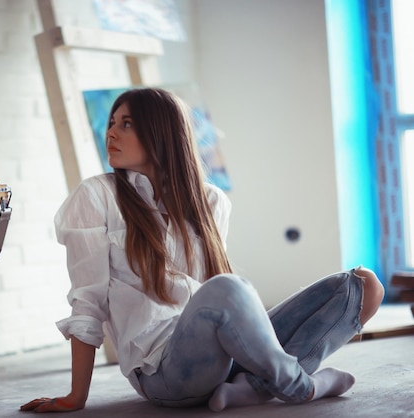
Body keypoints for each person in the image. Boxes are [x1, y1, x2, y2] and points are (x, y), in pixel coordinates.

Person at [20, 87, 385, 413]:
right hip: (165, 374)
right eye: (112, 122)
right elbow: (88, 302)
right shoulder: (96, 196)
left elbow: (219, 299)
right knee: (228, 288)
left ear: (161, 133)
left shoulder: (211, 201)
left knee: (361, 285)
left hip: (222, 359)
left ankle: (252, 388)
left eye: (127, 124)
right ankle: (302, 387)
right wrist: (75, 397)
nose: (111, 132)